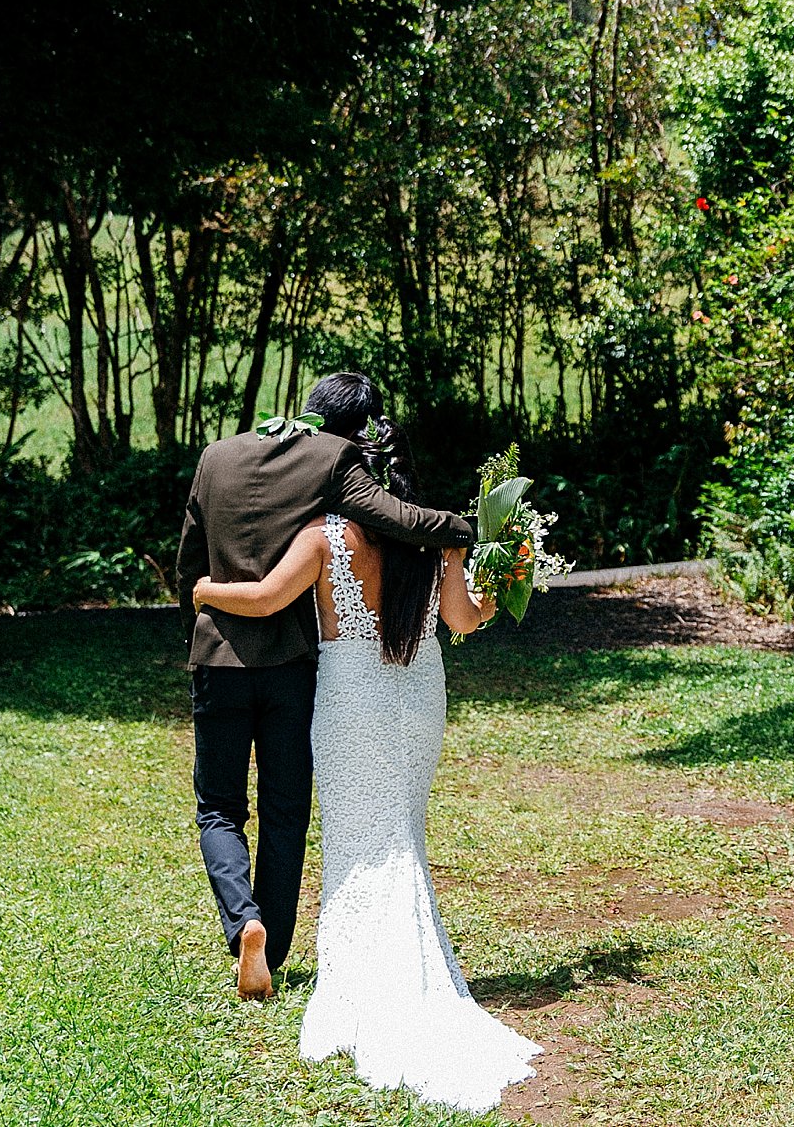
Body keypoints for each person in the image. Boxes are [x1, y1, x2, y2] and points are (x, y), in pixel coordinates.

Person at [192, 419, 540, 1111]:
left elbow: (262, 598)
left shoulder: (326, 536)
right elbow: (464, 620)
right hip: (418, 695)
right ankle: (409, 962)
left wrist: (203, 590)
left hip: (350, 698)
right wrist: (505, 582)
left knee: (356, 840)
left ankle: (354, 973)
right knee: (403, 831)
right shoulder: (436, 539)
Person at [175, 372, 476, 1002]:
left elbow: (190, 563)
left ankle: (244, 923)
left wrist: (201, 606)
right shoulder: (334, 458)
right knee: (285, 812)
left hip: (219, 659)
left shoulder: (216, 456)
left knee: (219, 807)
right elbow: (398, 519)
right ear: (361, 429)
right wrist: (468, 526)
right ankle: (274, 947)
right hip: (291, 667)